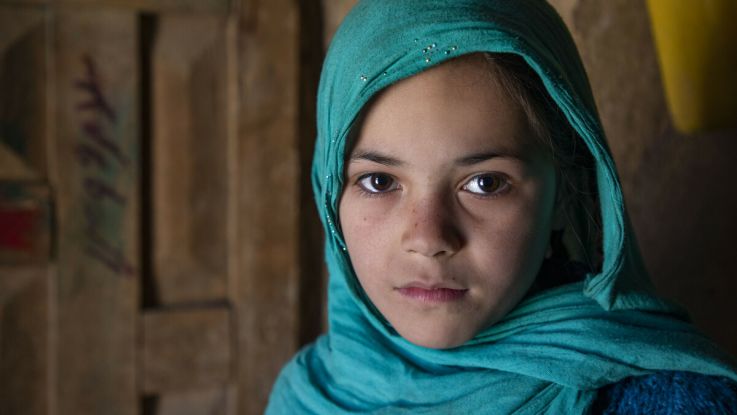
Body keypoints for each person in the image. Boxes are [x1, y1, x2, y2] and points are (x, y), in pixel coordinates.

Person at [267, 1, 737, 413]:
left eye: (485, 183)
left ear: (564, 191)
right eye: (378, 181)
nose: (428, 239)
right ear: (330, 194)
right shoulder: (307, 397)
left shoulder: (669, 403)